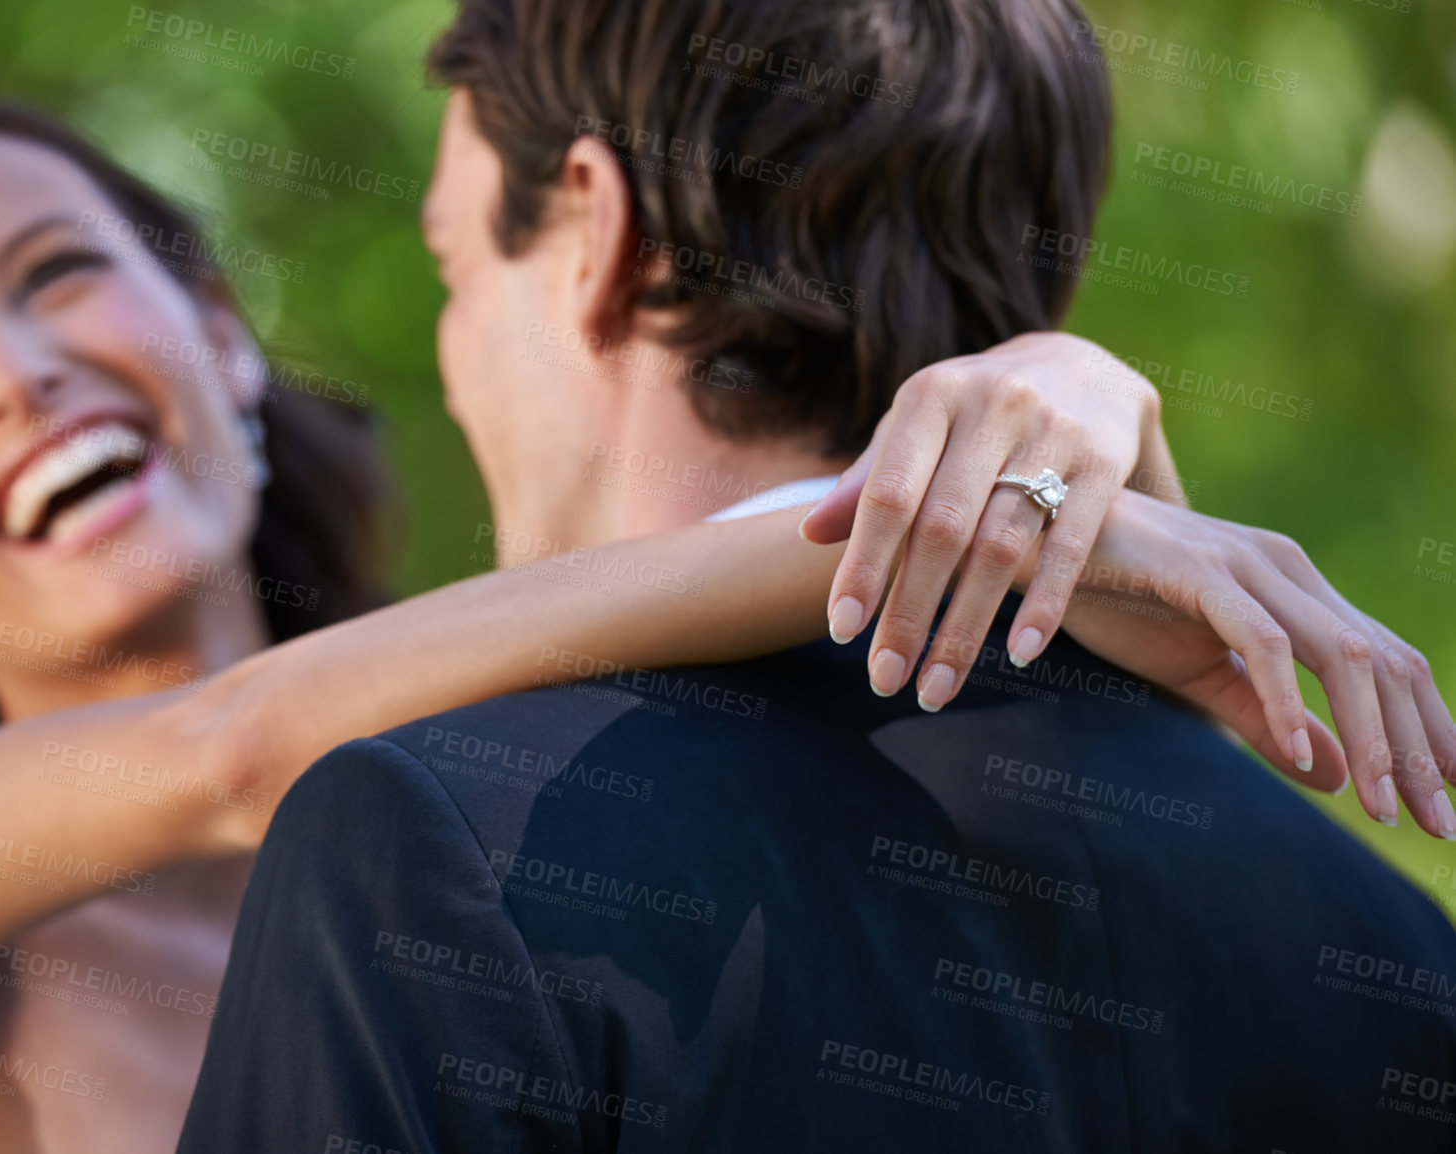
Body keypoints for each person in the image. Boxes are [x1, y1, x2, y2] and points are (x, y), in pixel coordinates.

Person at [0, 102, 1352, 1153]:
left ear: (220, 337)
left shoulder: (507, 784)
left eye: (56, 272)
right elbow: (227, 750)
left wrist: (1054, 393)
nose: (13, 374)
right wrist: (950, 503)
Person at [177, 0, 1456, 1149]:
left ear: (592, 227)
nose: (454, 355)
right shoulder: (1399, 950)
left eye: (456, 267)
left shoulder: (433, 841)